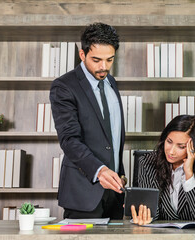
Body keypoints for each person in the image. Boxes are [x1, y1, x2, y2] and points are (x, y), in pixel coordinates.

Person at [49, 22, 126, 219]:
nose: (103, 67)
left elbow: (112, 137)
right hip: (83, 192)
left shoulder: (111, 83)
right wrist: (100, 171)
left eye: (110, 60)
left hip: (115, 191)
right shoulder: (64, 87)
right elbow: (69, 140)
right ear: (82, 55)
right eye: (96, 60)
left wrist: (119, 174)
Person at [131, 115, 195, 225]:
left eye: (181, 146)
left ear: (194, 147)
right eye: (169, 142)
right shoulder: (147, 162)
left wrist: (189, 174)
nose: (171, 152)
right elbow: (151, 212)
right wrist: (144, 217)